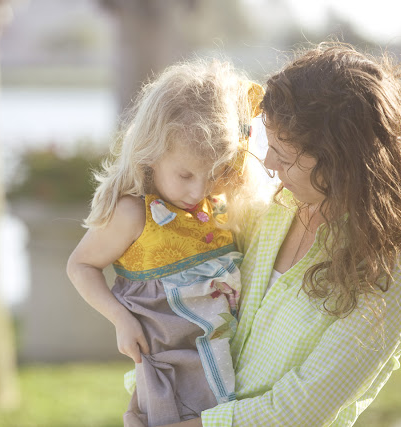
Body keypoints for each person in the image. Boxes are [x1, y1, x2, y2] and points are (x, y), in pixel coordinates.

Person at [146, 42, 401, 427]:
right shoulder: (274, 209)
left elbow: (302, 407)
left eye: (284, 154)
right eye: (270, 145)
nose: (267, 163)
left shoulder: (397, 269)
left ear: (340, 161)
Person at [66, 59, 266, 426]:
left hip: (225, 363)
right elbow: (80, 265)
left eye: (214, 175)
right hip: (171, 377)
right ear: (151, 152)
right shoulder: (134, 214)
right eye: (186, 175)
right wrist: (120, 319)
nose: (198, 191)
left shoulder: (217, 208)